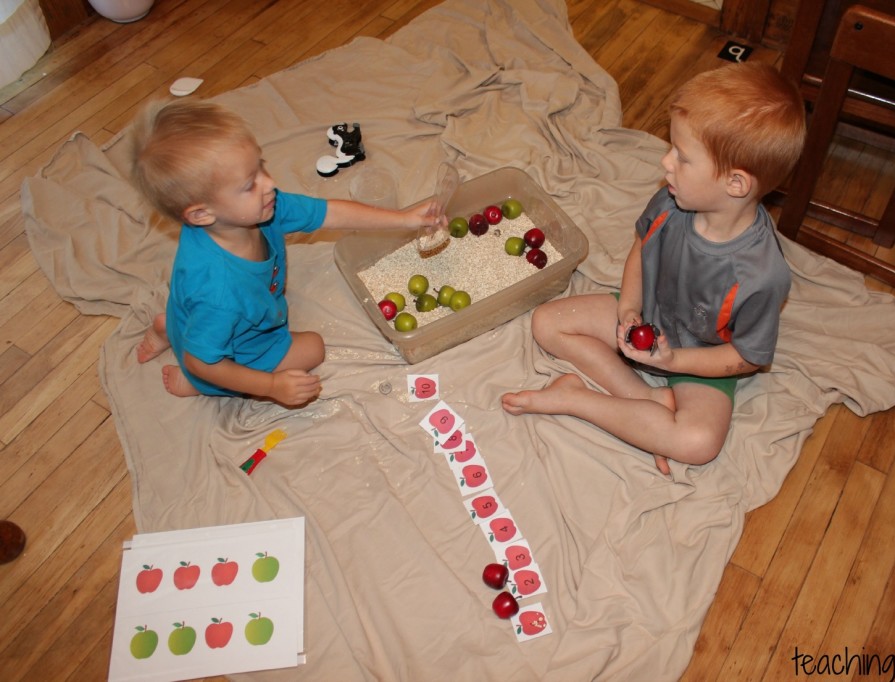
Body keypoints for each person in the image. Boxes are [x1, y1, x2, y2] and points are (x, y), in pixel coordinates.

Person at [502, 62, 806, 473]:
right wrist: (629, 309)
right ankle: (644, 403)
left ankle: (577, 400)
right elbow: (641, 251)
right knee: (547, 323)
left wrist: (674, 363)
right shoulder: (671, 202)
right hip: (649, 314)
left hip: (703, 355)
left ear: (735, 184)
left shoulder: (761, 274)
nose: (665, 163)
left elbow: (747, 357)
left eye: (682, 157)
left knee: (698, 443)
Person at [130, 99, 440, 407]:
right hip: (220, 355)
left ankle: (167, 328)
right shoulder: (219, 293)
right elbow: (202, 361)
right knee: (312, 349)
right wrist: (271, 385)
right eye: (250, 183)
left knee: (193, 325)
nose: (270, 182)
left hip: (187, 317)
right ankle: (199, 386)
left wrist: (407, 218)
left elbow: (329, 213)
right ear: (201, 214)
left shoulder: (260, 208)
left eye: (260, 166)